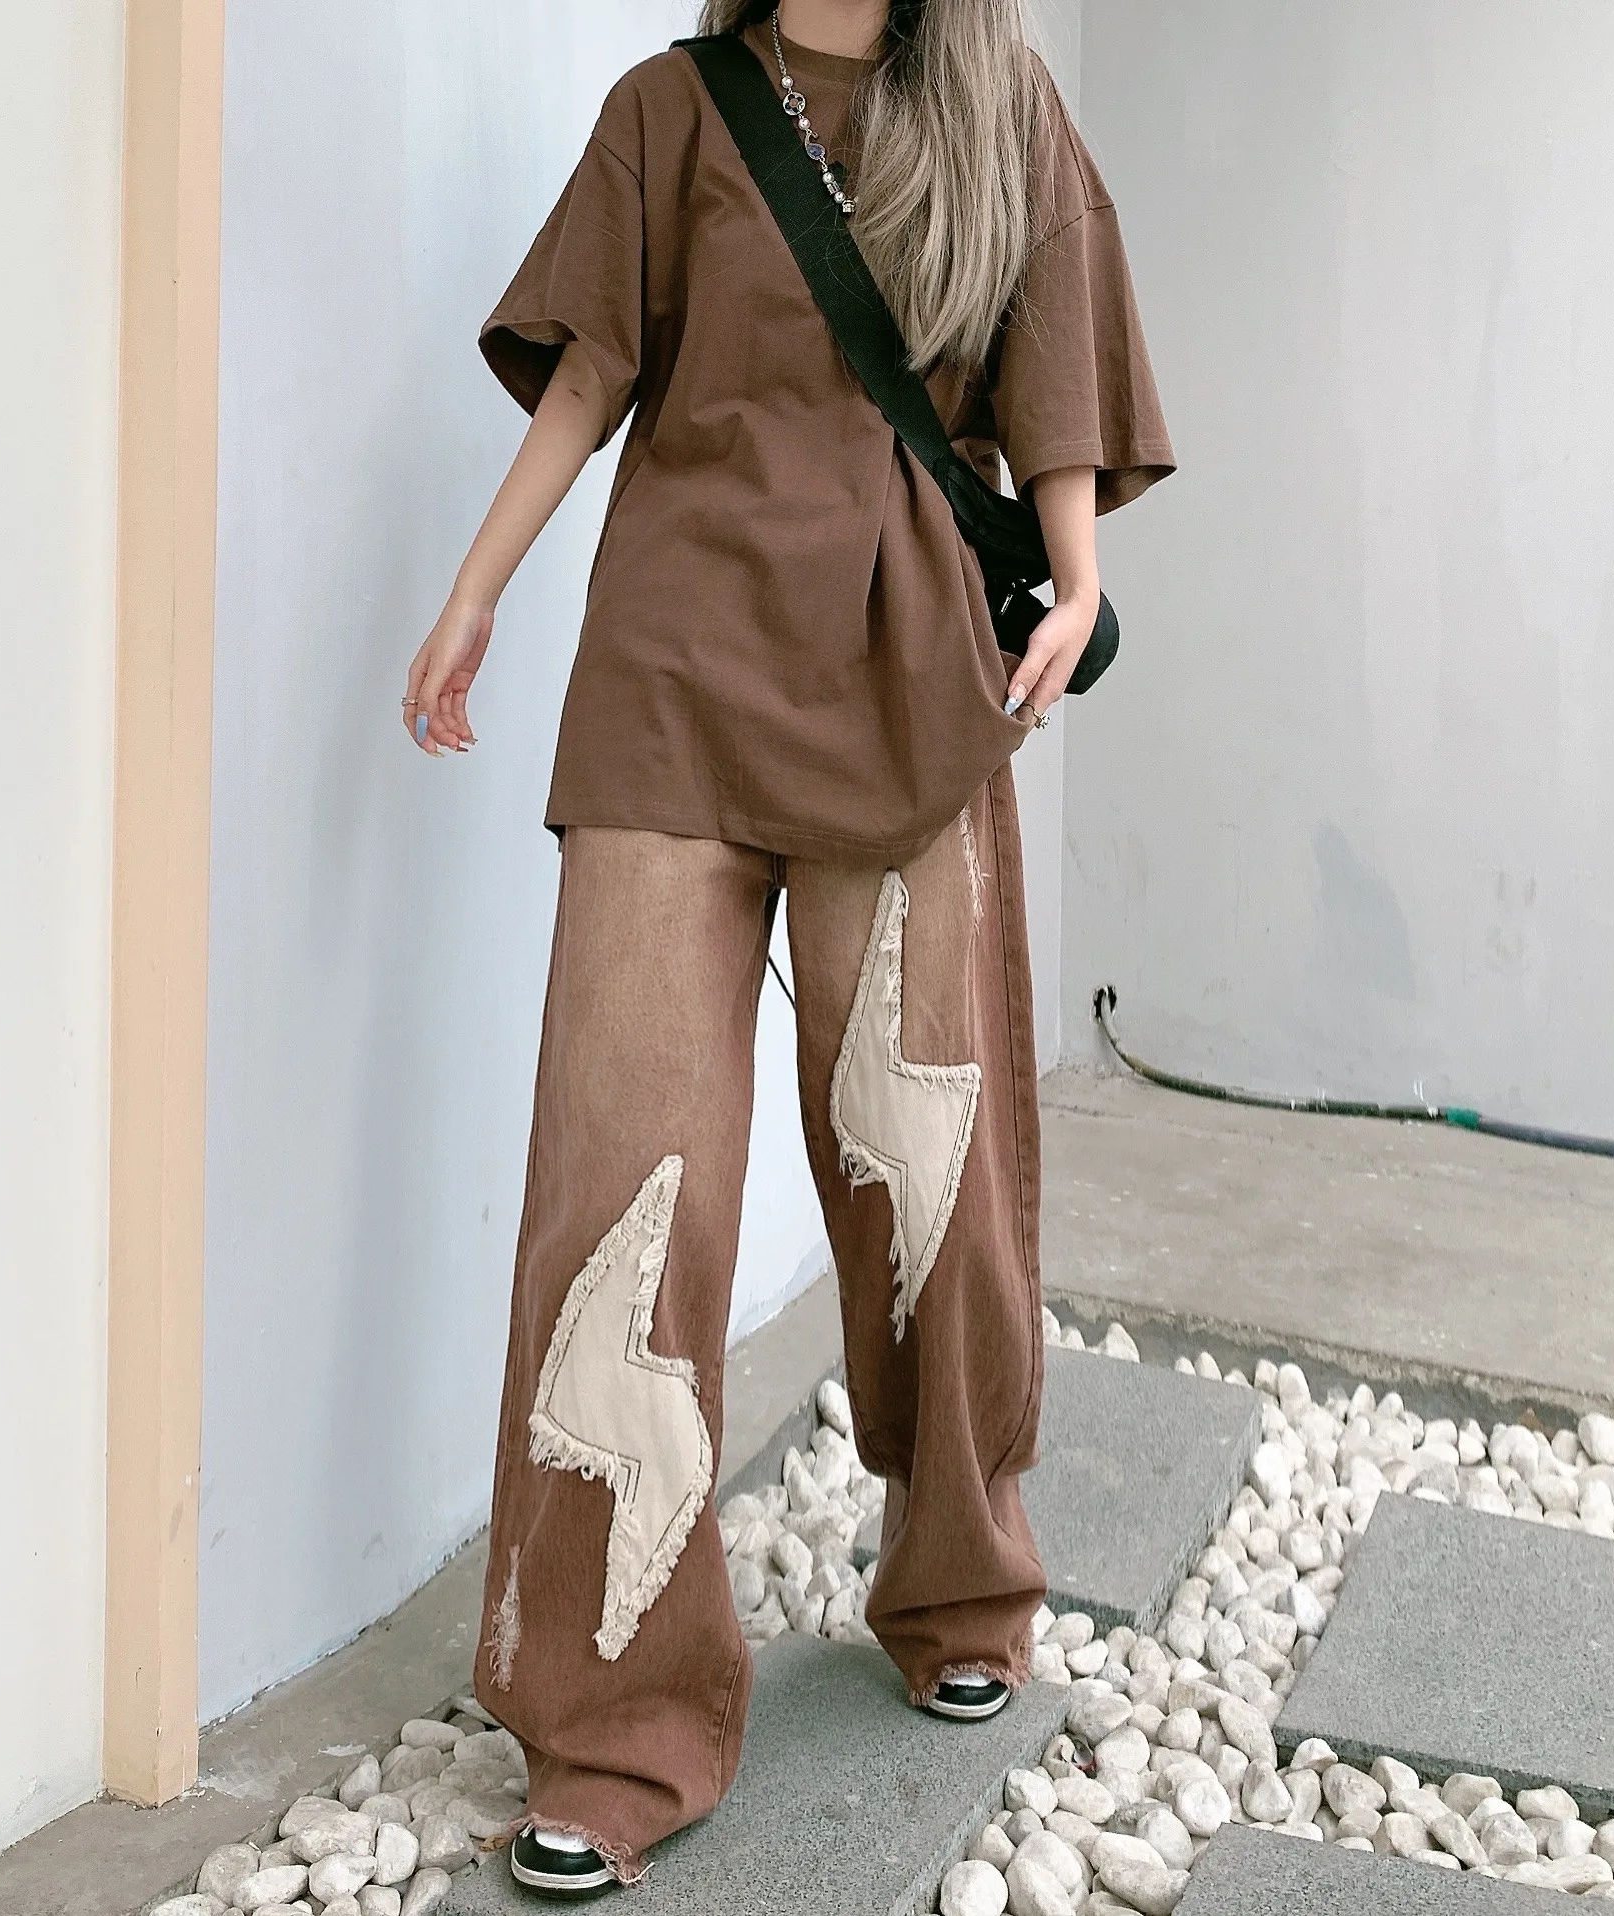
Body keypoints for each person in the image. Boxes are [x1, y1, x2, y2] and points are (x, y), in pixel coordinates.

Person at [401, 0, 1172, 1894]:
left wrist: (1076, 574)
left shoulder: (999, 107)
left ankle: (963, 1572)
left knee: (930, 1162)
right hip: (671, 683)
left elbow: (1055, 364)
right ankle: (615, 1715)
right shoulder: (669, 112)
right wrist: (476, 589)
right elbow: (593, 372)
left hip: (911, 684)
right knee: (620, 1188)